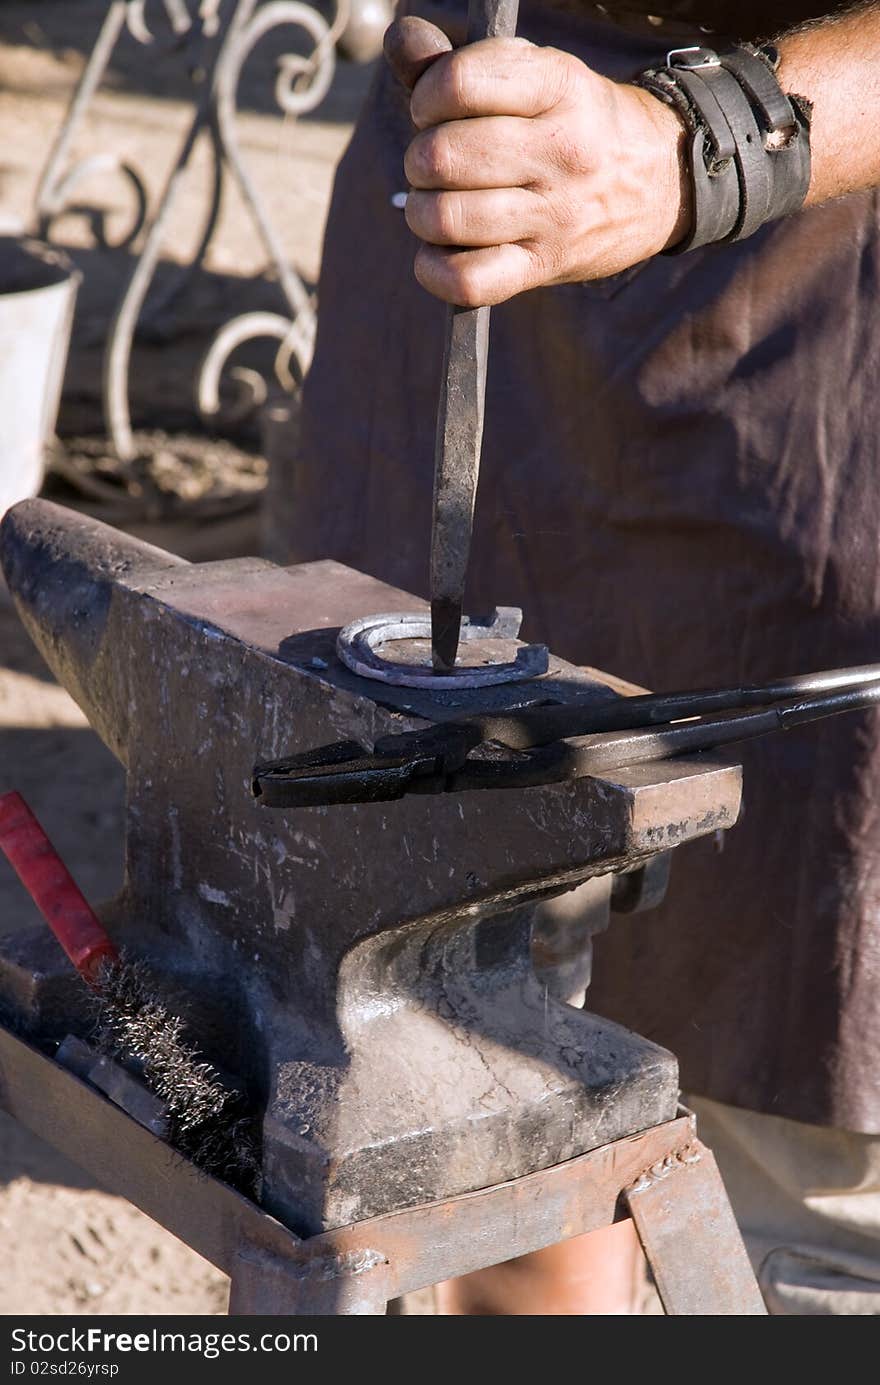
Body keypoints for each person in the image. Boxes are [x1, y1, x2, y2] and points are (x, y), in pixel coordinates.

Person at [276, 0, 880, 1313]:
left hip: (833, 282)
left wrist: (697, 146)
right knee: (470, 1108)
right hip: (470, 206)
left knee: (810, 1189)